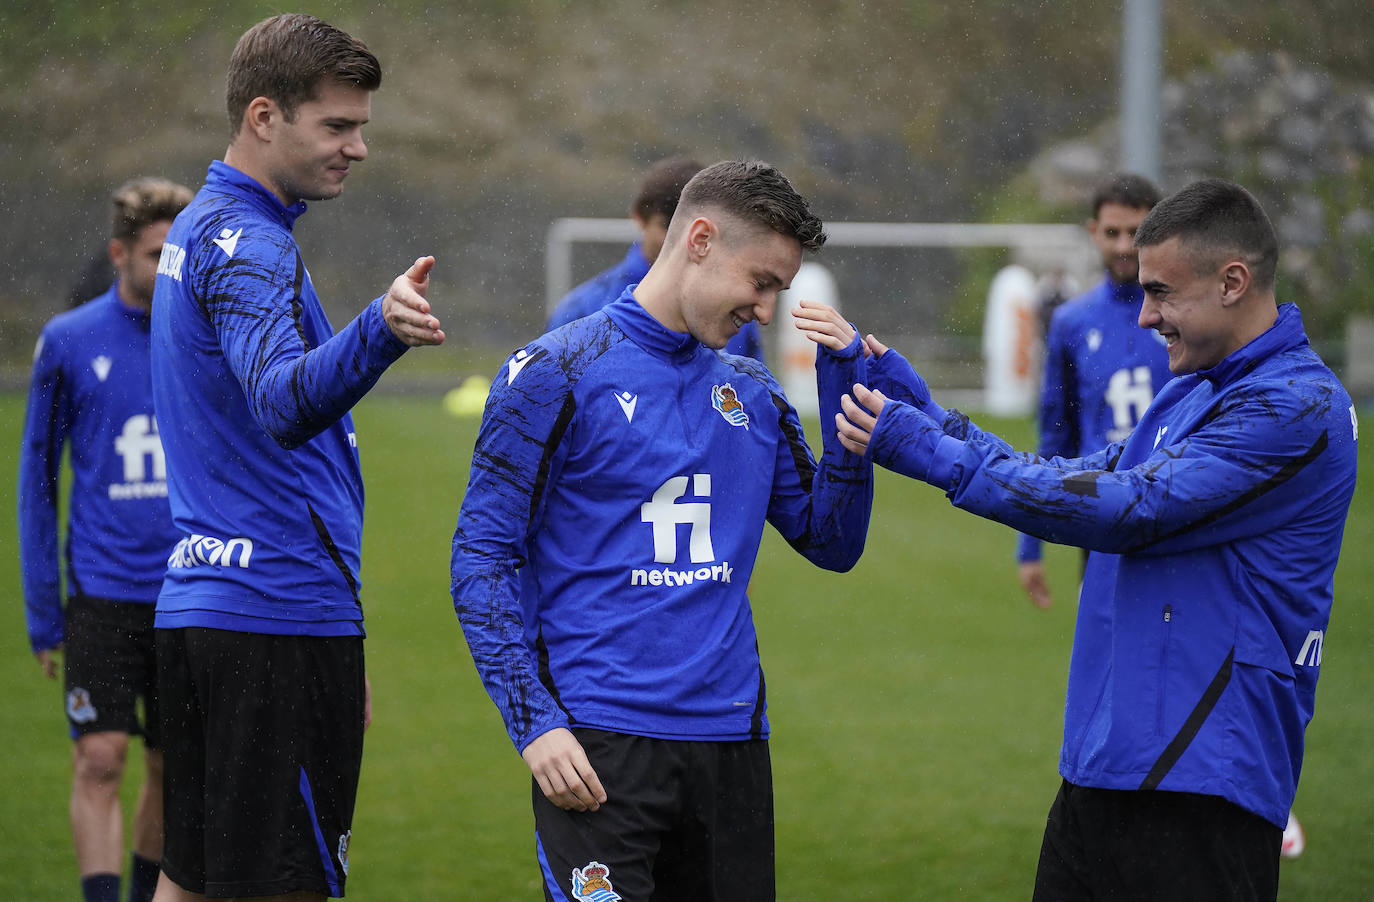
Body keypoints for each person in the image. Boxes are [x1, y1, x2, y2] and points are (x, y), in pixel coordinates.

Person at [822, 178, 1356, 900]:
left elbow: (1129, 507)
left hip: (1202, 781)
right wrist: (929, 413)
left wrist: (929, 452)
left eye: (1162, 292)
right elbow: (1073, 471)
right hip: (1106, 766)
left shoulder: (1298, 404)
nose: (1144, 317)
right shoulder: (1194, 390)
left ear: (1233, 282)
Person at [453, 160, 874, 901]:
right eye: (763, 281)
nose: (768, 312)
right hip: (599, 744)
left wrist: (849, 417)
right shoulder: (554, 371)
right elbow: (482, 557)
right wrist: (534, 723)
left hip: (732, 743)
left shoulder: (754, 394)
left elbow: (831, 542)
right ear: (701, 239)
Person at [148, 14, 444, 901]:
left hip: (204, 606)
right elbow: (281, 401)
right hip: (272, 615)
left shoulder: (205, 225)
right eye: (338, 125)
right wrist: (379, 331)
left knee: (190, 880)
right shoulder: (252, 244)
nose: (359, 147)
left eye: (362, 126)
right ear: (265, 115)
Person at [18, 177, 193, 902]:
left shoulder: (206, 336)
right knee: (100, 758)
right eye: (157, 254)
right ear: (120, 253)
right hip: (102, 593)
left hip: (189, 592)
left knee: (168, 767)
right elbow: (37, 479)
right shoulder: (68, 341)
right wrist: (42, 607)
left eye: (178, 253)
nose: (170, 267)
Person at [1016, 173, 1168, 610]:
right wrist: (1030, 544)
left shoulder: (1186, 312)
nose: (1124, 246)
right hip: (1103, 514)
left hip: (1177, 506)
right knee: (1106, 663)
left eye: (1136, 233)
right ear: (1092, 233)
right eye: (1112, 233)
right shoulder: (1072, 322)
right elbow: (1055, 435)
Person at [545, 155, 767, 362]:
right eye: (667, 226)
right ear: (639, 217)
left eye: (697, 231)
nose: (683, 239)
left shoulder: (735, 312)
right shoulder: (581, 310)